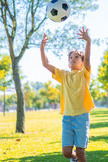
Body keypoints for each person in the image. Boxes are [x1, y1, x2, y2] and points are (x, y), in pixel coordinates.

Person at [40, 27, 94, 162]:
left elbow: (87, 57)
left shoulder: (84, 74)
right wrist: (42, 48)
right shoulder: (63, 75)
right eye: (71, 57)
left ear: (82, 63)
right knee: (66, 153)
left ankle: (78, 157)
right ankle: (73, 158)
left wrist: (88, 41)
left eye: (76, 57)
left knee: (81, 152)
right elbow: (45, 64)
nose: (73, 59)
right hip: (67, 118)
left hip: (82, 117)